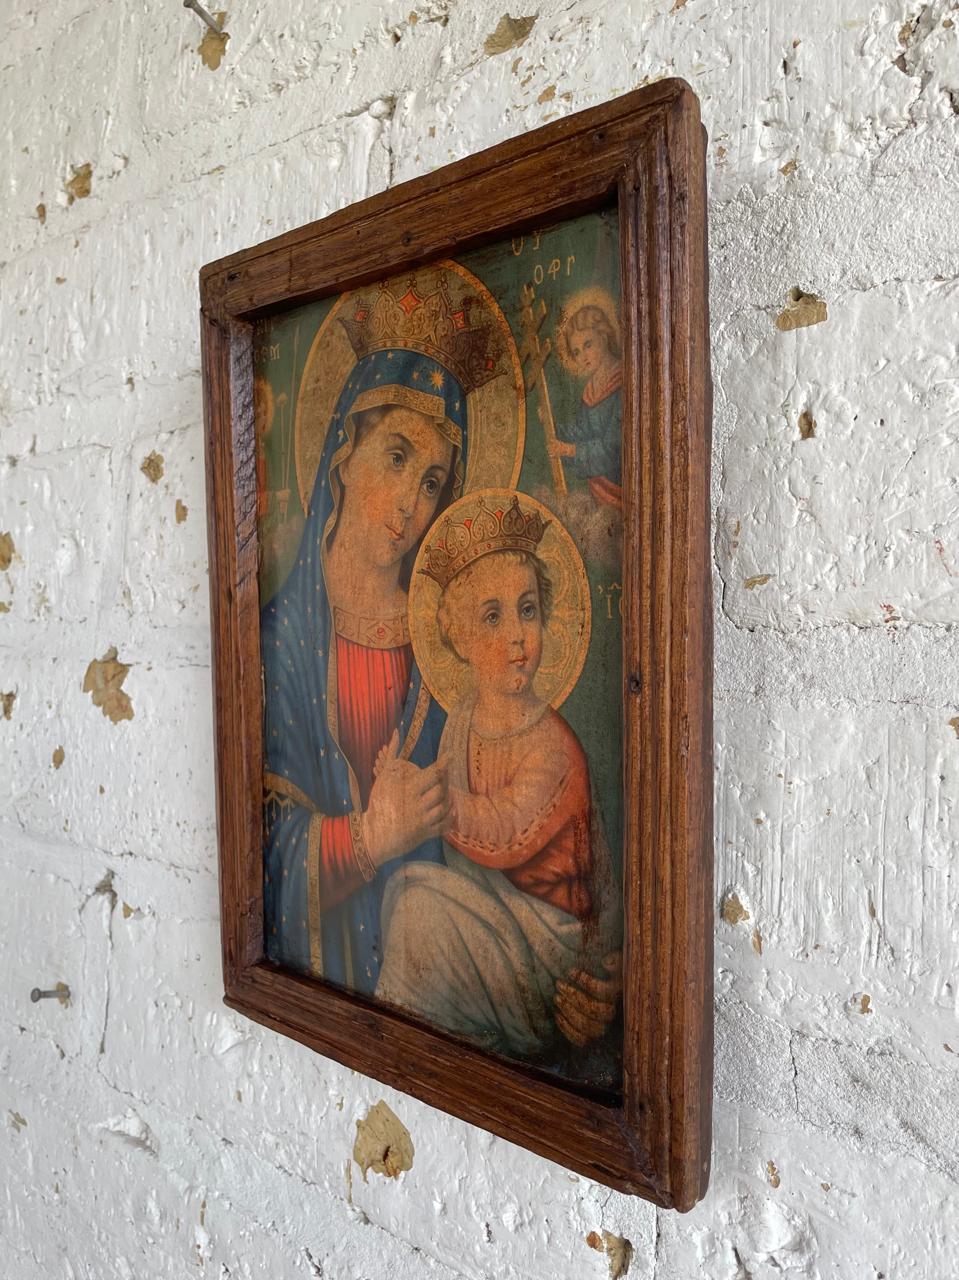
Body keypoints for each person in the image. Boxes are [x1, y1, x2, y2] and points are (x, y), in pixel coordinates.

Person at [374, 496, 621, 1060]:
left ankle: (409, 1053)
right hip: (497, 923)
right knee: (412, 900)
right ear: (459, 637)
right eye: (493, 617)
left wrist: (436, 802)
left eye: (527, 610)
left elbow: (506, 829)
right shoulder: (460, 720)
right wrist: (403, 786)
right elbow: (444, 798)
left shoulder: (554, 747)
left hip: (552, 952)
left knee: (417, 914)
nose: (517, 636)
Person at [548, 302, 623, 508]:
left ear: (604, 336)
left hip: (620, 492)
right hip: (598, 492)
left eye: (588, 345)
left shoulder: (622, 383)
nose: (583, 356)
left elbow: (613, 450)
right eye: (576, 352)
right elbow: (581, 432)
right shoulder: (590, 391)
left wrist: (570, 450)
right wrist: (553, 430)